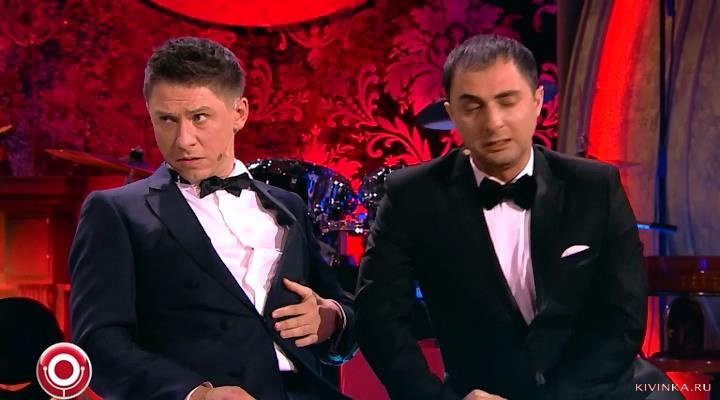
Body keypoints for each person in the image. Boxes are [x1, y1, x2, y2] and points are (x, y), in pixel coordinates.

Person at [355, 34, 679, 400]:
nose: (493, 122)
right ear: (451, 114)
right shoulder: (412, 196)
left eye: (507, 101)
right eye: (472, 107)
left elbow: (623, 316)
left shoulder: (595, 186)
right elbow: (378, 317)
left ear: (537, 101)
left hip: (599, 391)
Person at [69, 36, 355, 400]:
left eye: (199, 117)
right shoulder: (116, 211)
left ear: (239, 113)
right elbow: (98, 343)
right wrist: (194, 394)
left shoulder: (289, 206)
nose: (183, 139)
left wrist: (331, 318)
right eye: (166, 119)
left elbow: (343, 310)